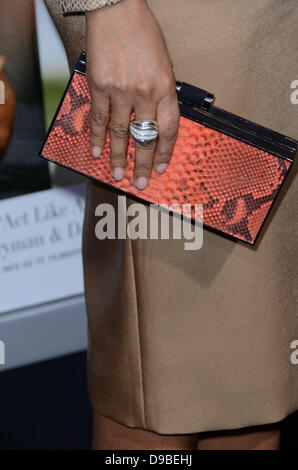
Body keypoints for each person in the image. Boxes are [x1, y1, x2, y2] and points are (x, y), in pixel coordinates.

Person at [45, 0, 298, 450]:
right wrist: (107, 9)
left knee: (256, 385)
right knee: (154, 395)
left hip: (274, 26)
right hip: (169, 18)